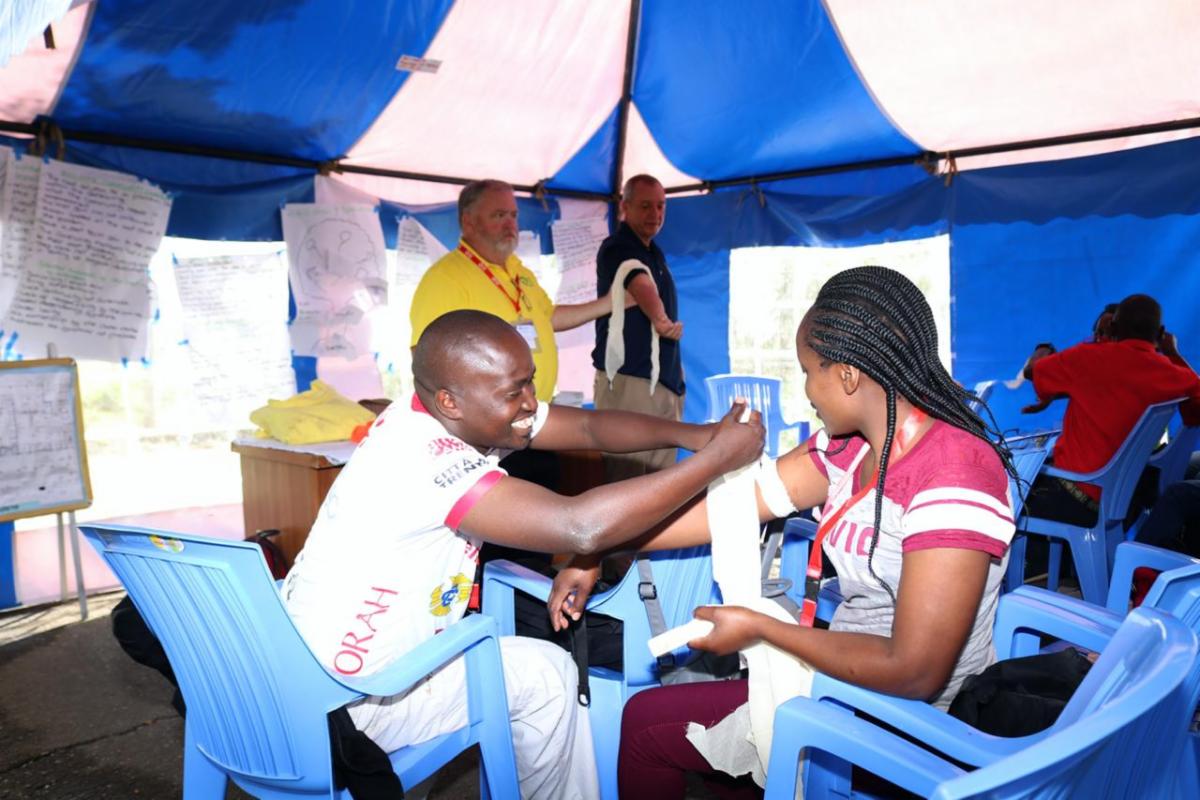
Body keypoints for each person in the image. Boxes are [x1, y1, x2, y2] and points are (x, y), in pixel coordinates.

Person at [549, 266, 1018, 798]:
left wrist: (763, 628)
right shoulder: (850, 449)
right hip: (850, 680)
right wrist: (599, 546)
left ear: (847, 375)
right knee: (714, 744)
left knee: (645, 726)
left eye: (809, 372)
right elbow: (723, 510)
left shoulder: (953, 472)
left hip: (915, 721)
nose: (807, 390)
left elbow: (915, 672)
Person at [281, 309, 765, 800]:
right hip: (353, 703)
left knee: (530, 667)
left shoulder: (436, 413)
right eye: (514, 392)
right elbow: (580, 527)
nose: (531, 402)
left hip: (297, 672)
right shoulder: (426, 460)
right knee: (547, 677)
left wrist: (693, 435)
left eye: (529, 382)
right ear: (450, 401)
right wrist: (716, 460)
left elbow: (589, 429)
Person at [1022, 294, 1200, 526]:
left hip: (1073, 495)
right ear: (1160, 333)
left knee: (1012, 489)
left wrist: (1044, 347)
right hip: (1127, 501)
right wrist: (1173, 353)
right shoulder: (1173, 375)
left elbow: (1033, 370)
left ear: (1114, 328)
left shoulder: (1087, 358)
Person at [591, 174, 685, 481]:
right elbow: (640, 284)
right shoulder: (617, 247)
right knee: (627, 482)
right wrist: (660, 320)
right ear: (624, 207)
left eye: (660, 206)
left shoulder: (654, 252)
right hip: (629, 381)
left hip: (665, 384)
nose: (654, 214)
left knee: (661, 483)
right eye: (645, 206)